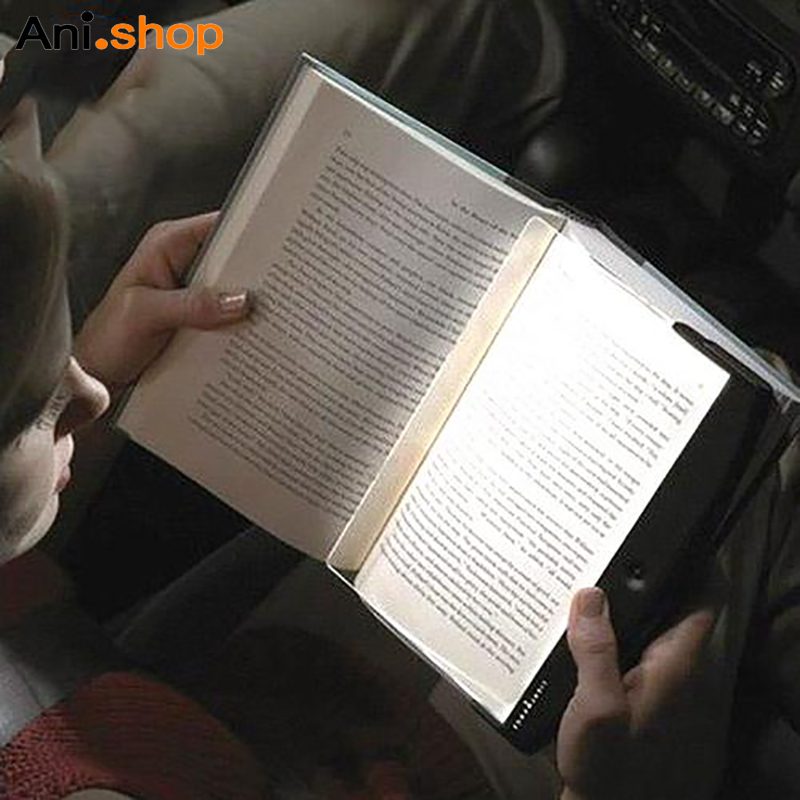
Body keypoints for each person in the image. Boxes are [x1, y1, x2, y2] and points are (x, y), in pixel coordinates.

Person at [0, 80, 727, 798]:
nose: (94, 393)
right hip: (386, 762)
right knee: (731, 507)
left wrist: (83, 362)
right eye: (33, 406)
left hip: (237, 695)